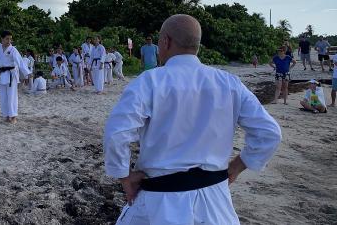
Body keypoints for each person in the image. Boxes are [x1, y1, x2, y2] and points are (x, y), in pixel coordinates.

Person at [103, 14, 281, 225]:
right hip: (216, 201)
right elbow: (270, 133)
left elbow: (116, 134)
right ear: (197, 45)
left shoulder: (149, 81)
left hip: (161, 200)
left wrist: (125, 177)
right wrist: (237, 166)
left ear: (165, 41)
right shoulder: (228, 83)